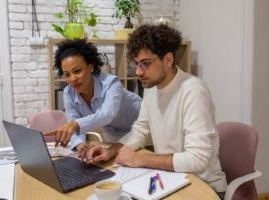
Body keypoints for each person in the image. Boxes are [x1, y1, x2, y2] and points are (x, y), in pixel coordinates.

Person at [82, 24, 227, 196]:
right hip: (170, 180)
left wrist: (139, 159)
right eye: (136, 64)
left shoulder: (193, 90)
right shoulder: (151, 88)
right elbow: (139, 131)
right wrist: (111, 150)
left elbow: (198, 159)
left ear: (168, 59)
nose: (138, 71)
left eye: (145, 64)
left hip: (204, 187)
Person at [45, 39, 142, 152]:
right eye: (67, 74)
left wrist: (75, 124)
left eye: (77, 71)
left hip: (139, 127)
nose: (72, 79)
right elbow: (74, 121)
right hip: (113, 133)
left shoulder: (111, 83)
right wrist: (80, 145)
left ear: (91, 67)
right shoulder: (69, 93)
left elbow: (106, 114)